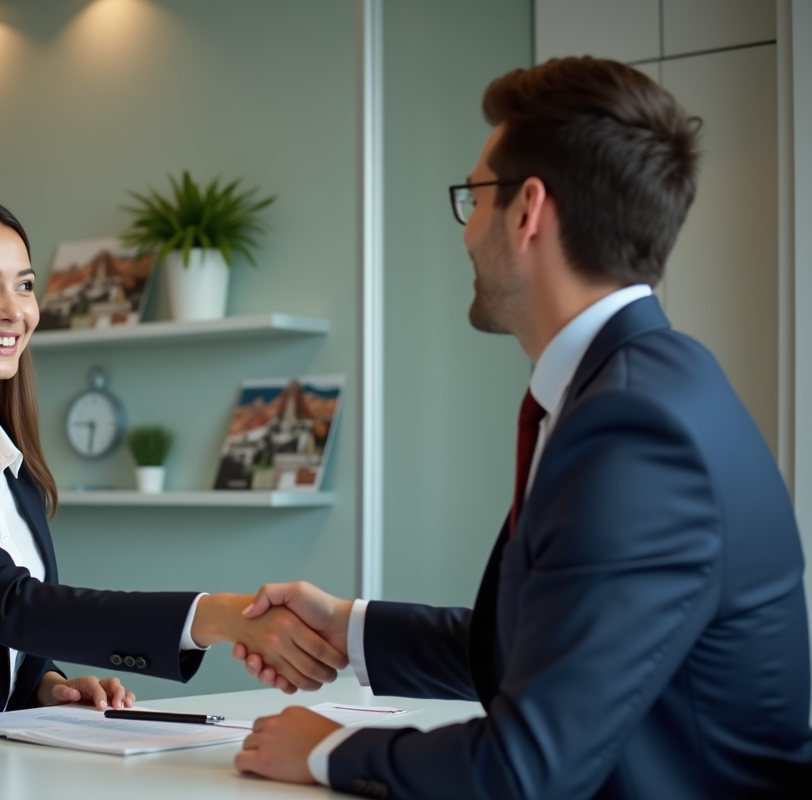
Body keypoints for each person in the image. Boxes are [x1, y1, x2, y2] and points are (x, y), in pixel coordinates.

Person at [231, 57, 812, 798]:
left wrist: (330, 750)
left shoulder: (635, 429)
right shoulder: (644, 383)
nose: (468, 232)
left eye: (474, 197)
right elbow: (551, 648)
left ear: (528, 209)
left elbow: (527, 769)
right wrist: (350, 627)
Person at [0, 194, 346, 726]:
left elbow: (1, 637)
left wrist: (48, 684)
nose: (14, 310)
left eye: (24, 285)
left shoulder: (9, 463)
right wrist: (218, 615)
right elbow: (5, 601)